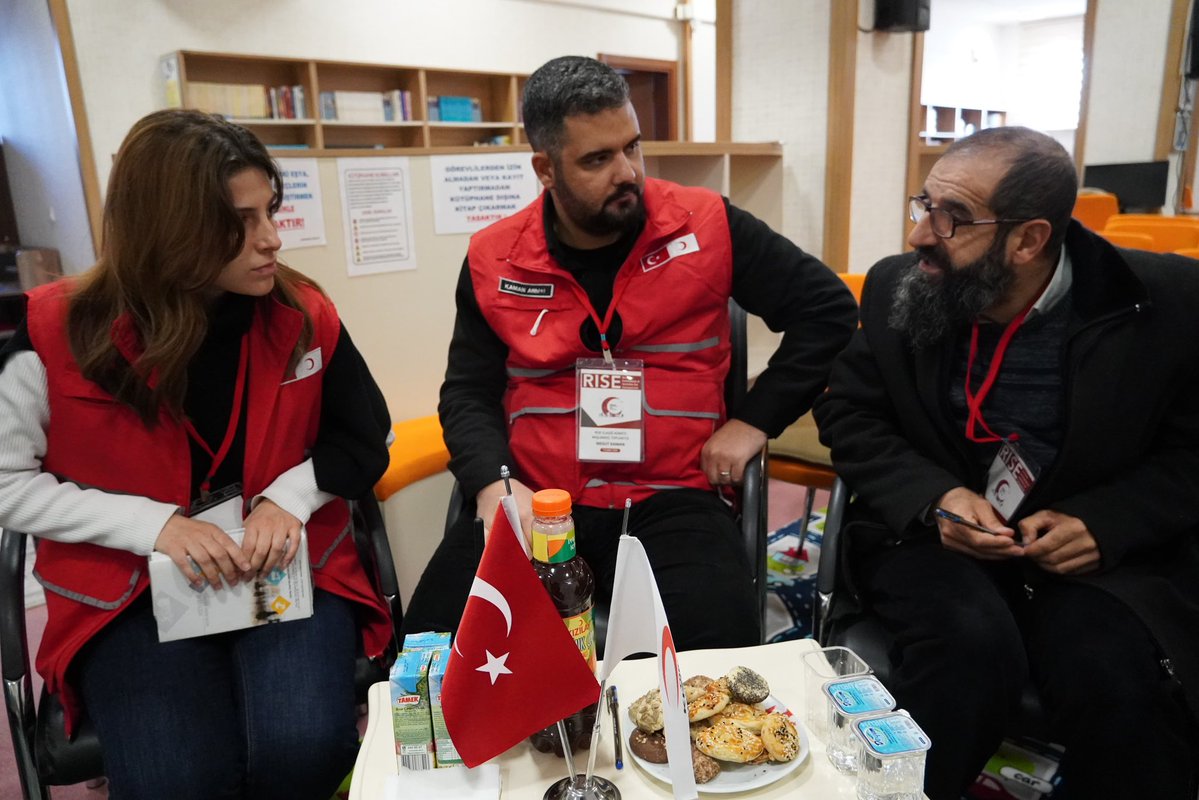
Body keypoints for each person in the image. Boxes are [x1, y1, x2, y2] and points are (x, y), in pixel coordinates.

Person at [0, 110, 393, 800]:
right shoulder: (54, 330)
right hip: (129, 592)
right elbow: (6, 484)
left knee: (303, 746)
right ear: (167, 228)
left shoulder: (303, 314)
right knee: (177, 778)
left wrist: (288, 499)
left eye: (270, 210)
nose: (271, 240)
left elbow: (363, 441)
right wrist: (153, 526)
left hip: (276, 570)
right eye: (238, 224)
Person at [403, 55, 857, 649]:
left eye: (632, 148)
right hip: (539, 499)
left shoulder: (706, 224)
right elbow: (467, 390)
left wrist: (753, 420)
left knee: (718, 669)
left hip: (674, 497)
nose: (628, 173)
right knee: (429, 658)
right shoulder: (496, 257)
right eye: (597, 159)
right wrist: (491, 482)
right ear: (545, 169)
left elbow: (828, 311)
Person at [813, 126, 1199, 799]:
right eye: (922, 204)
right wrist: (935, 497)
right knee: (965, 657)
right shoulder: (898, 288)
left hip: (1092, 557)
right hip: (932, 541)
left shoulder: (1166, 307)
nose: (919, 235)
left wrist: (1106, 522)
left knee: (1115, 685)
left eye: (952, 217)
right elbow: (850, 416)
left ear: (1027, 240)